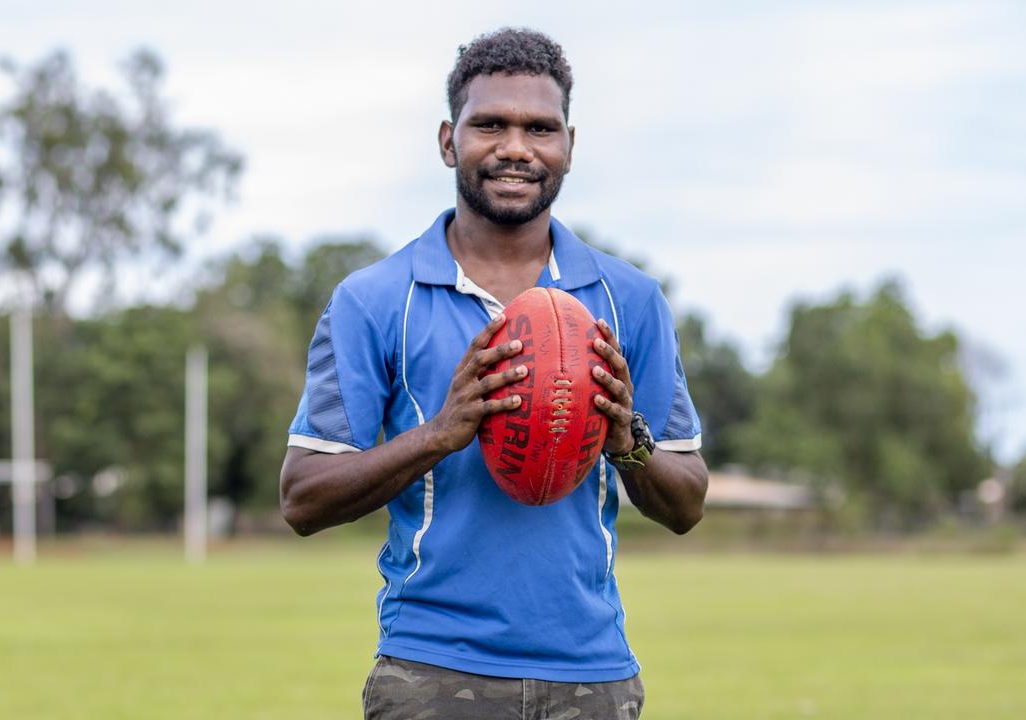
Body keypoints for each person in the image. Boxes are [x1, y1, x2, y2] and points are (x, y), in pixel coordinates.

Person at [280, 27, 708, 720]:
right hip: (432, 673)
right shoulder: (376, 298)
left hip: (594, 675)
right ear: (449, 141)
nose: (516, 147)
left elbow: (687, 505)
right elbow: (302, 498)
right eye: (491, 125)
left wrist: (626, 439)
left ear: (569, 145)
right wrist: (441, 433)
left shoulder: (630, 301)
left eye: (540, 127)